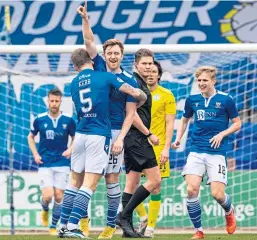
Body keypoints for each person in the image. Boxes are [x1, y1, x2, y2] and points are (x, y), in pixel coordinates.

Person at [58, 48, 146, 238]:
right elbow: (132, 91)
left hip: (80, 134)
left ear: (75, 66)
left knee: (74, 182)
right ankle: (73, 226)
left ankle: (62, 224)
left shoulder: (73, 83)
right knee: (90, 184)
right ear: (92, 60)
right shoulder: (104, 77)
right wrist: (142, 95)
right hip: (99, 135)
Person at [77, 3, 139, 239]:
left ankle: (110, 226)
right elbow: (88, 42)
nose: (112, 56)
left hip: (113, 133)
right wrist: (85, 20)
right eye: (109, 52)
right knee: (84, 177)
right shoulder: (99, 66)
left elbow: (130, 113)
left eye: (117, 53)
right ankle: (82, 224)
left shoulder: (129, 80)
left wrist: (121, 138)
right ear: (104, 55)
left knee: (111, 179)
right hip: (92, 131)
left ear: (122, 56)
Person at [171, 66, 241, 239]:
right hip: (196, 150)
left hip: (217, 153)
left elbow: (237, 123)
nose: (201, 83)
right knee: (191, 190)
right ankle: (199, 231)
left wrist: (222, 134)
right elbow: (185, 119)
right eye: (199, 80)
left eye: (205, 80)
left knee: (217, 194)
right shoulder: (192, 100)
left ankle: (229, 210)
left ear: (213, 81)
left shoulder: (226, 99)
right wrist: (178, 138)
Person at [116, 49, 162, 238]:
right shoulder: (134, 84)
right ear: (136, 65)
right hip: (136, 137)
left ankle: (127, 229)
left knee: (132, 184)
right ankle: (124, 216)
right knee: (155, 180)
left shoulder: (141, 83)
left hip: (132, 138)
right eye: (144, 64)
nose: (148, 67)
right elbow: (131, 114)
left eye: (150, 64)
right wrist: (149, 133)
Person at [135, 61, 176, 237]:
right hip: (137, 145)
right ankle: (143, 217)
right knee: (132, 185)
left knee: (156, 188)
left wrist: (166, 149)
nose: (150, 74)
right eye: (148, 71)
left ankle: (150, 228)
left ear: (159, 75)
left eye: (154, 71)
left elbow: (170, 124)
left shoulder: (167, 95)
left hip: (158, 148)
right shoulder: (137, 93)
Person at [27, 89, 76, 235]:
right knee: (48, 195)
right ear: (47, 101)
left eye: (57, 101)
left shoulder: (68, 120)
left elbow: (76, 137)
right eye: (51, 101)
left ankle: (53, 226)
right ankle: (45, 209)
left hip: (62, 162)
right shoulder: (40, 119)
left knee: (59, 196)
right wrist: (35, 154)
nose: (54, 104)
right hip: (45, 162)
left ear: (61, 102)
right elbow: (30, 137)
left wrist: (70, 150)